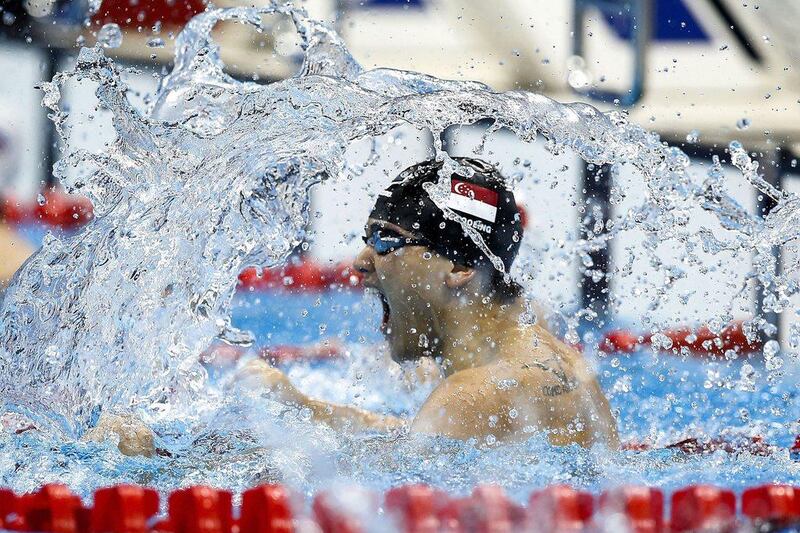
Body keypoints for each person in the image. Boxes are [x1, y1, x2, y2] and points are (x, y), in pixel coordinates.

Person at [243, 157, 619, 448]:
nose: (360, 261)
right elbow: (425, 438)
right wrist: (305, 410)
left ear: (458, 266)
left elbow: (376, 480)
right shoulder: (558, 362)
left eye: (386, 240)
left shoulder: (468, 398)